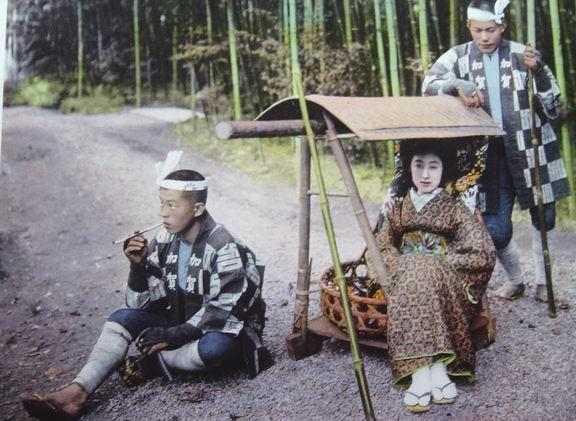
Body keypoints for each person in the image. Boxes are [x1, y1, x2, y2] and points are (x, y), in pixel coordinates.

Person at [22, 151, 269, 420]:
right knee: (121, 318)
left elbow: (223, 311)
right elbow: (139, 305)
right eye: (162, 203)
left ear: (197, 209)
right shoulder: (165, 240)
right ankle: (76, 392)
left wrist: (170, 336)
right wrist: (137, 267)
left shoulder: (224, 245)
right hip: (181, 325)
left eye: (172, 205)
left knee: (214, 349)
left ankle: (155, 361)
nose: (163, 213)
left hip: (223, 330)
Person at [421, 0, 570, 302]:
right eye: (478, 30)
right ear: (469, 27)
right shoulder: (458, 56)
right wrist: (457, 85)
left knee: (544, 217)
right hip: (486, 155)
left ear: (503, 26)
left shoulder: (523, 55)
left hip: (530, 148)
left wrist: (539, 71)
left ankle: (544, 283)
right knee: (496, 229)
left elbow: (554, 107)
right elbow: (428, 86)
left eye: (491, 30)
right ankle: (516, 280)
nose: (485, 37)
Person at [376, 140, 496, 413]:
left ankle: (426, 373)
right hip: (405, 276)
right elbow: (381, 245)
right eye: (418, 165)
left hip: (443, 278)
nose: (425, 174)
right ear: (408, 167)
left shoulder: (455, 208)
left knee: (425, 270)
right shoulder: (397, 208)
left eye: (433, 166)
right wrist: (397, 263)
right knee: (415, 271)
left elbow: (481, 251)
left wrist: (441, 263)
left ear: (444, 169)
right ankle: (431, 372)